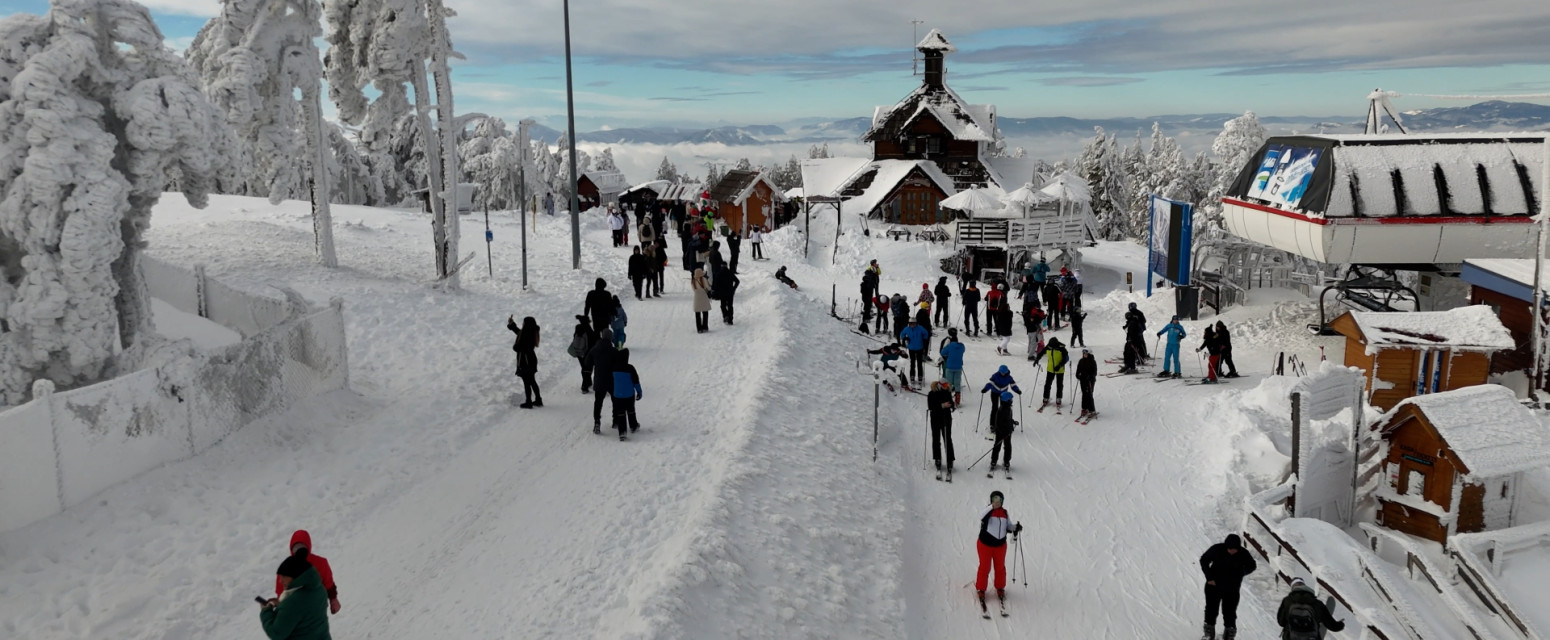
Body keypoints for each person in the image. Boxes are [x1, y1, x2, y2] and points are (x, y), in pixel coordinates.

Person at [261, 552, 331, 640]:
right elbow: (305, 611)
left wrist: (266, 611)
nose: (280, 581)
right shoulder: (319, 589)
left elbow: (276, 633)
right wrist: (282, 605)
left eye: (284, 576)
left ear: (297, 576)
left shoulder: (293, 603)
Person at [1199, 533, 1257, 640]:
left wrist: (1242, 572)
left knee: (1229, 612)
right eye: (1229, 549)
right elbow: (1204, 560)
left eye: (1234, 549)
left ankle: (1229, 635)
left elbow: (1252, 565)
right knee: (1211, 609)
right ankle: (1208, 634)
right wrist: (1209, 578)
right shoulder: (1217, 549)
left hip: (1232, 589)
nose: (1231, 551)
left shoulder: (1243, 553)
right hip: (1213, 586)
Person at [974, 491, 1023, 612]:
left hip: (1000, 546)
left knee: (1000, 567)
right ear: (991, 499)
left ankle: (1000, 588)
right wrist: (991, 507)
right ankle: (981, 589)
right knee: (985, 567)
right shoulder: (988, 511)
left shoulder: (1004, 513)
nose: (997, 501)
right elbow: (980, 516)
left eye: (999, 499)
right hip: (985, 545)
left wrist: (1015, 528)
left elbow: (1008, 526)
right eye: (995, 498)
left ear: (1002, 501)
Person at [274, 531, 340, 615]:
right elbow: (329, 585)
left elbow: (281, 595)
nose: (298, 551)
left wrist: (333, 599)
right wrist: (333, 599)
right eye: (296, 548)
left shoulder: (285, 567)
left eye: (301, 548)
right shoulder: (321, 562)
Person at [1277, 578, 1346, 640]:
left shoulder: (1287, 601)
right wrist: (1340, 625)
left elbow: (1281, 622)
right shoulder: (1317, 603)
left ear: (1293, 588)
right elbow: (1332, 626)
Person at [585, 328, 617, 434]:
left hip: (599, 379)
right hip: (612, 380)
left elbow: (587, 363)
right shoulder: (613, 351)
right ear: (610, 338)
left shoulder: (594, 349)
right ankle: (616, 420)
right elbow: (620, 364)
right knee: (615, 400)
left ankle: (597, 423)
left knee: (598, 402)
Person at [508, 315, 543, 409]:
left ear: (526, 324)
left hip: (526, 361)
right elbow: (519, 332)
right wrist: (512, 324)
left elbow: (521, 347)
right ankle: (538, 400)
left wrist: (515, 347)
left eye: (523, 322)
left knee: (527, 382)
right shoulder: (531, 332)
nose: (522, 323)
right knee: (532, 381)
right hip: (530, 360)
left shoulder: (527, 335)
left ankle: (529, 402)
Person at [610, 348, 643, 441]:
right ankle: (633, 426)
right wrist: (639, 392)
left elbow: (611, 380)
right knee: (631, 410)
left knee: (620, 413)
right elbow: (636, 381)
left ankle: (622, 432)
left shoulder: (613, 367)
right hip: (629, 394)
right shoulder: (630, 368)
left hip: (617, 395)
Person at [926, 380, 956, 479]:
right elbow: (931, 406)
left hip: (946, 419)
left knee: (947, 438)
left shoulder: (947, 392)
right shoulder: (931, 394)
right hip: (935, 419)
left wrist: (952, 405)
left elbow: (951, 404)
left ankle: (950, 459)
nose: (947, 386)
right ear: (939, 385)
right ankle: (937, 459)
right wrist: (942, 406)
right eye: (945, 385)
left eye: (948, 384)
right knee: (936, 439)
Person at [1033, 336, 1069, 410]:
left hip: (1059, 370)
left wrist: (1060, 365)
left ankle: (1058, 398)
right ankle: (1046, 398)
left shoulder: (1061, 348)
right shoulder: (1049, 346)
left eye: (1052, 346)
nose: (1050, 347)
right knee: (1047, 384)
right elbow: (1041, 353)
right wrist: (1037, 359)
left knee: (1059, 384)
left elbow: (1066, 358)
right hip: (1050, 369)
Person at [567, 315, 596, 394]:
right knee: (587, 369)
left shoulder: (577, 328)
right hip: (587, 353)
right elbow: (593, 341)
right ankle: (584, 386)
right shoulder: (589, 330)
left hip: (579, 352)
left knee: (584, 368)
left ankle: (588, 382)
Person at [900, 317, 931, 384]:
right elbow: (902, 334)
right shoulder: (907, 329)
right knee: (912, 363)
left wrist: (924, 339)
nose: (912, 325)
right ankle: (912, 376)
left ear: (916, 323)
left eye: (914, 323)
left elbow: (926, 333)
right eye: (911, 323)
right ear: (909, 323)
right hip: (911, 348)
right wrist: (905, 338)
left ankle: (920, 376)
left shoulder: (920, 328)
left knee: (919, 363)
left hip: (920, 348)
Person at [939, 329, 966, 405]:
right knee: (957, 383)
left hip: (950, 366)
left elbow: (942, 352)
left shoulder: (949, 346)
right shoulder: (962, 346)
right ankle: (957, 399)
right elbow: (963, 350)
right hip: (958, 367)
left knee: (949, 383)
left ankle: (948, 399)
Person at [711, 258, 740, 325]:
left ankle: (725, 315)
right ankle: (730, 319)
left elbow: (716, 284)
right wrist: (734, 288)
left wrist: (715, 292)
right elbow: (737, 281)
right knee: (730, 305)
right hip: (730, 292)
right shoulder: (730, 273)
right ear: (727, 266)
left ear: (721, 266)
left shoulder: (719, 273)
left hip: (722, 293)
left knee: (723, 306)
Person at [1075, 349, 1097, 419]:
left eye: (1086, 353)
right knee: (1084, 394)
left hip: (1090, 381)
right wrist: (1078, 375)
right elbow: (1078, 370)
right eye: (1083, 353)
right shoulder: (1081, 361)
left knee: (1089, 394)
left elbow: (1094, 372)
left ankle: (1092, 410)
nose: (1084, 354)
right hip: (1083, 380)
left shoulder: (1092, 361)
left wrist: (1090, 376)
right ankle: (1084, 408)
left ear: (1089, 354)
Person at [860, 262, 880, 332]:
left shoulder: (867, 284)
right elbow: (863, 291)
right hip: (866, 297)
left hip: (867, 297)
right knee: (867, 307)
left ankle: (867, 316)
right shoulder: (864, 284)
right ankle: (865, 319)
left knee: (868, 307)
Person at [691, 268, 712, 333]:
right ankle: (705, 326)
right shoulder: (704, 279)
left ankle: (699, 328)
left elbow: (693, 289)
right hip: (703, 296)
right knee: (705, 312)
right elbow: (708, 287)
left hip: (697, 297)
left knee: (697, 313)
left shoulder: (693, 281)